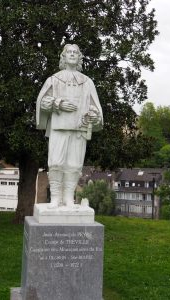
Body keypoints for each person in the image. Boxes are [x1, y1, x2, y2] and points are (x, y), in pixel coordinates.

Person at [36, 44, 103, 209]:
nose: (72, 54)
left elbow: (96, 109)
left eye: (75, 52)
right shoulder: (54, 79)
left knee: (74, 165)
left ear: (79, 58)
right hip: (59, 128)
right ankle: (55, 199)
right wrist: (58, 103)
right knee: (56, 163)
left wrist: (94, 116)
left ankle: (68, 199)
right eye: (69, 52)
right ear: (63, 57)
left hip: (79, 129)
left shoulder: (87, 82)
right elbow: (42, 102)